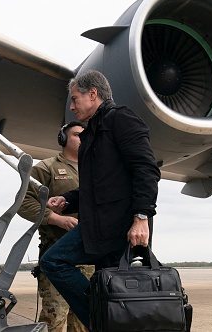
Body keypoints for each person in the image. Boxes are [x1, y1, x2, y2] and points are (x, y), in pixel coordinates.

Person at [39, 70, 161, 328]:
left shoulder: (122, 120)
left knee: (55, 261)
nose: (71, 108)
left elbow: (146, 169)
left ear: (93, 94)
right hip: (98, 227)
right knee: (111, 293)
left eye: (75, 99)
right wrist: (67, 200)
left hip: (121, 228)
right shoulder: (91, 134)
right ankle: (104, 319)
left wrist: (141, 218)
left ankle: (100, 320)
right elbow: (97, 188)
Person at [18, 121, 93, 332]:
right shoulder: (46, 168)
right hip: (57, 254)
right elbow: (23, 202)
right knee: (55, 318)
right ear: (63, 139)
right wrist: (56, 219)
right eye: (78, 135)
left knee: (85, 320)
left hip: (89, 260)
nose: (83, 139)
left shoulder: (96, 171)